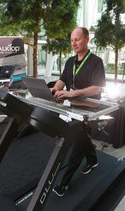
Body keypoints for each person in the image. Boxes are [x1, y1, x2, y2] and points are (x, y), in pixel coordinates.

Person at [51, 27, 106, 196]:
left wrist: (73, 92)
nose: (73, 43)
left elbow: (96, 88)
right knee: (81, 137)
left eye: (77, 39)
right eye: (72, 40)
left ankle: (64, 183)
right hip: (71, 107)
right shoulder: (69, 62)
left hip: (89, 110)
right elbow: (62, 81)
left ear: (87, 39)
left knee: (78, 143)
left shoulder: (96, 62)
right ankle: (92, 159)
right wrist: (54, 89)